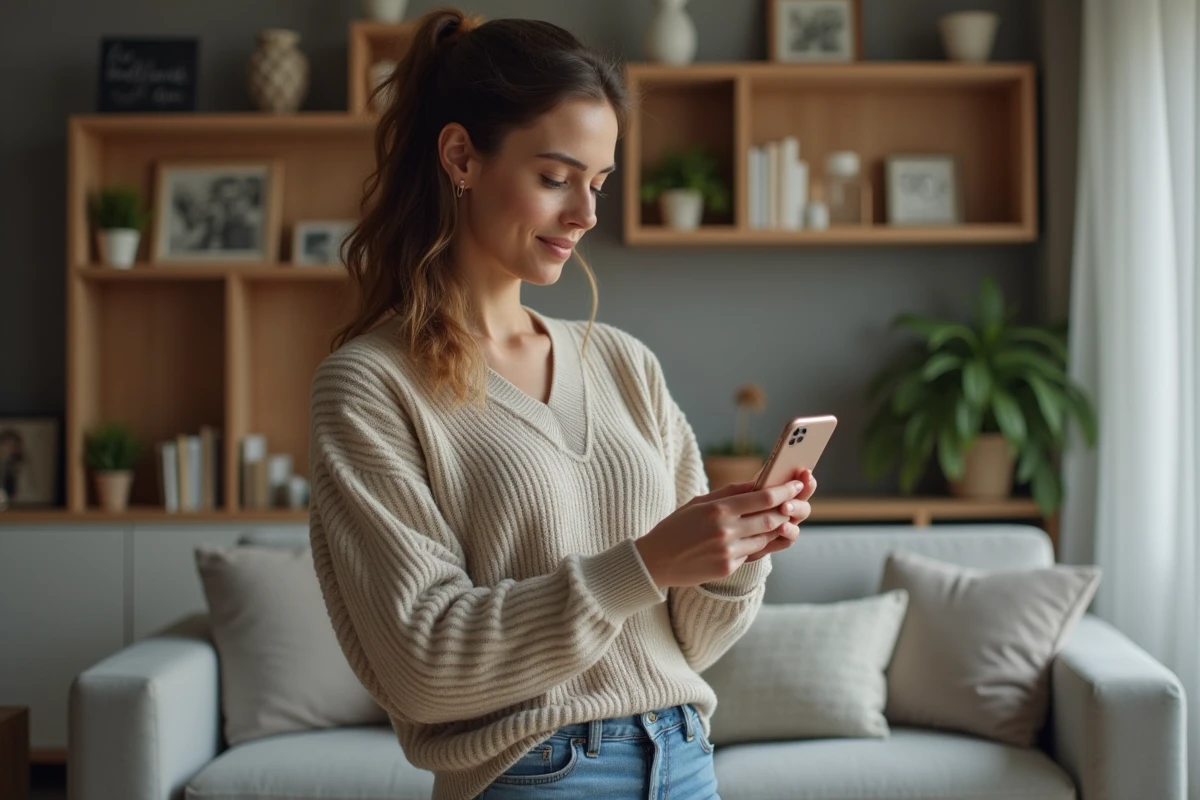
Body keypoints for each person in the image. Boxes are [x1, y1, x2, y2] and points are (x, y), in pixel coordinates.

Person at [307, 9, 818, 800]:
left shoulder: (622, 363)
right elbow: (423, 665)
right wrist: (646, 563)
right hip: (533, 775)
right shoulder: (371, 386)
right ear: (461, 157)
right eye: (555, 178)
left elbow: (689, 640)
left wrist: (732, 558)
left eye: (598, 183)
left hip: (683, 758)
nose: (586, 214)